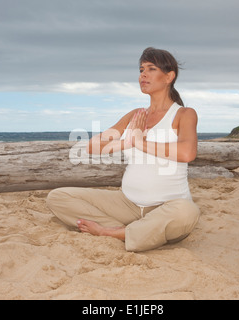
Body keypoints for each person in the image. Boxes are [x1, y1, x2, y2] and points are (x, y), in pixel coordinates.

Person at [46, 47, 200, 252]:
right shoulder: (135, 115)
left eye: (151, 69)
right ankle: (132, 231)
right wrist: (125, 143)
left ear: (169, 76)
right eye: (141, 69)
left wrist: (139, 142)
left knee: (186, 212)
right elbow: (92, 146)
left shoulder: (184, 114)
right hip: (126, 204)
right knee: (58, 197)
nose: (143, 74)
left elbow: (187, 153)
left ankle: (111, 232)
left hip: (167, 207)